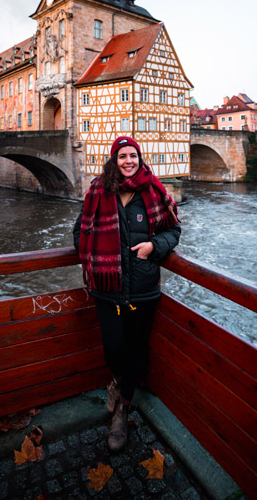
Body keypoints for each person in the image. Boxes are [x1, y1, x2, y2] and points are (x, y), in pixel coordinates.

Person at [73, 136, 181, 451]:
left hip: (143, 290)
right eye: (122, 156)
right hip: (107, 290)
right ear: (114, 161)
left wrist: (154, 246)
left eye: (133, 155)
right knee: (113, 348)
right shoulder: (97, 191)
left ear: (140, 158)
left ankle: (122, 408)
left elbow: (174, 230)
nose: (128, 161)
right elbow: (79, 230)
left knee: (136, 349)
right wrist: (93, 256)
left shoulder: (155, 191)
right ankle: (119, 383)